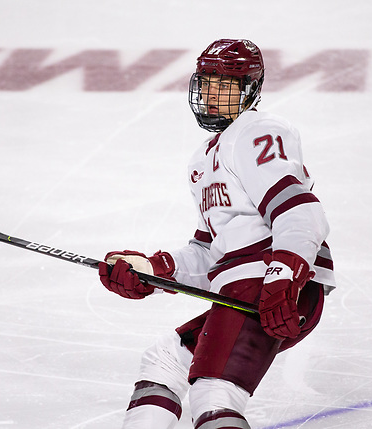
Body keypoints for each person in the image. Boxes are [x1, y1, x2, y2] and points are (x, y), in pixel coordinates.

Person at [98, 39, 336, 429]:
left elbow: (300, 210)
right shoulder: (202, 161)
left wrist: (283, 278)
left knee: (215, 389)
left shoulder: (257, 132)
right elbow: (211, 254)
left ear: (250, 91)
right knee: (164, 360)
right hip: (251, 288)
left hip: (271, 285)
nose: (212, 94)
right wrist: (151, 270)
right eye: (208, 83)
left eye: (226, 85)